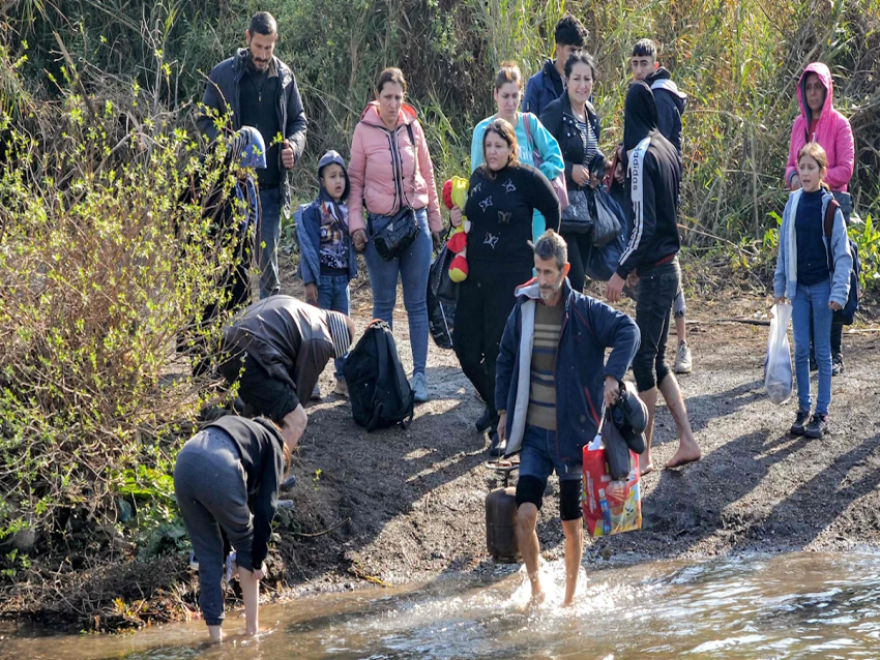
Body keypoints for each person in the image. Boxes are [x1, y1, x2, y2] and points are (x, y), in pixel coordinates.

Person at [495, 230, 639, 606]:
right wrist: (503, 410)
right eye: (538, 271)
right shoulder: (524, 307)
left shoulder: (586, 311)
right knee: (525, 515)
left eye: (548, 273)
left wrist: (612, 375)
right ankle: (538, 588)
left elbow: (629, 330)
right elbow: (506, 357)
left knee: (571, 525)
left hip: (575, 438)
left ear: (564, 270)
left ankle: (570, 601)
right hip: (535, 438)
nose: (542, 281)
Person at [605, 81, 700, 474]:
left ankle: (642, 455)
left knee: (644, 360)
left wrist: (621, 269)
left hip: (657, 270)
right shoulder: (667, 147)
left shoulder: (643, 152)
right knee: (657, 359)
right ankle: (687, 439)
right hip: (669, 266)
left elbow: (643, 226)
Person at [451, 119, 560, 455]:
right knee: (466, 349)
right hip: (475, 279)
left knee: (499, 354)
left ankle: (507, 426)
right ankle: (495, 403)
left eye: (499, 146)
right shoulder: (478, 178)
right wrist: (457, 219)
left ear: (512, 148)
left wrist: (546, 250)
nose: (492, 152)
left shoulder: (526, 177)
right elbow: (467, 221)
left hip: (510, 281)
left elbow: (553, 208)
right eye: (488, 146)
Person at [348, 67, 443, 403]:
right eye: (387, 97)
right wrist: (356, 224)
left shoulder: (412, 127)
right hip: (380, 230)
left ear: (404, 98)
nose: (392, 104)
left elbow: (428, 175)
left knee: (417, 304)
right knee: (383, 305)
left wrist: (435, 219)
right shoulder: (364, 130)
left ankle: (419, 377)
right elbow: (354, 182)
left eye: (398, 97)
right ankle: (387, 376)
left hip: (415, 223)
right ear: (377, 97)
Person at [198, 11, 308, 300]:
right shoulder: (223, 74)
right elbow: (205, 120)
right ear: (248, 39)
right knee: (232, 268)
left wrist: (293, 149)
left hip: (270, 190)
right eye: (258, 47)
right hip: (232, 190)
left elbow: (299, 121)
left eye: (268, 48)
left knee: (269, 271)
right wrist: (228, 145)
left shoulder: (285, 77)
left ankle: (270, 339)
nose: (262, 54)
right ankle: (235, 336)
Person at [174, 415, 294, 642]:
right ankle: (252, 630)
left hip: (184, 463)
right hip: (219, 466)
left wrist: (230, 551)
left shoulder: (243, 430)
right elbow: (266, 508)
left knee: (209, 554)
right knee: (247, 544)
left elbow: (226, 508)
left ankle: (216, 638)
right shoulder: (274, 446)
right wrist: (257, 560)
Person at [774, 142, 852, 438]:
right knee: (802, 351)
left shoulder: (831, 208)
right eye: (801, 167)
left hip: (822, 289)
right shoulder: (792, 203)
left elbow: (842, 254)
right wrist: (780, 287)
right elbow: (784, 248)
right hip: (799, 289)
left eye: (810, 168)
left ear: (822, 171)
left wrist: (838, 293)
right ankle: (803, 408)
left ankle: (821, 412)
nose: (804, 173)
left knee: (822, 351)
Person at [784, 62, 855, 376]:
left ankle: (833, 351)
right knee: (805, 271)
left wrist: (819, 180)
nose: (813, 93)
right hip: (802, 205)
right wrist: (795, 179)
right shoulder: (799, 124)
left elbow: (848, 168)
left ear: (827, 90)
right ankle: (811, 349)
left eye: (818, 87)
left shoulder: (840, 124)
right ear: (803, 90)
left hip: (832, 205)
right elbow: (789, 166)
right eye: (808, 87)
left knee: (834, 272)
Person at [629, 38, 692, 375]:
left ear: (655, 64)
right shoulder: (643, 93)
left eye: (644, 63)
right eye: (634, 63)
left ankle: (682, 344)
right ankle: (663, 347)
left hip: (664, 195)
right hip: (656, 192)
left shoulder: (661, 97)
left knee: (668, 269)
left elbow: (657, 149)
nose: (639, 69)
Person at [219, 295, 356, 448]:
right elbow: (299, 392)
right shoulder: (321, 339)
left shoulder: (303, 309)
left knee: (263, 399)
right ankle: (276, 469)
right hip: (251, 354)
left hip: (226, 341)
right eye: (330, 355)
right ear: (334, 343)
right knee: (297, 420)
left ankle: (248, 447)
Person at [470, 62, 564, 243]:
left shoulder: (530, 124)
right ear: (495, 94)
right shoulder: (483, 130)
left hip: (534, 217)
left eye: (515, 95)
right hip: (497, 219)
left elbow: (556, 158)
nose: (511, 103)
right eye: (505, 96)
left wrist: (535, 182)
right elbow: (477, 178)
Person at [540, 52, 605, 293]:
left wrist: (600, 167)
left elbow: (591, 153)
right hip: (561, 211)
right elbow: (539, 155)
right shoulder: (554, 111)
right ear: (566, 80)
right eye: (577, 79)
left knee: (577, 283)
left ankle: (569, 327)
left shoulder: (591, 115)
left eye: (587, 79)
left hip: (585, 213)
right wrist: (568, 170)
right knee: (573, 280)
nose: (582, 85)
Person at [295, 150, 357, 399]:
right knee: (317, 333)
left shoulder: (349, 210)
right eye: (332, 176)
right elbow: (307, 249)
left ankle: (342, 379)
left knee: (342, 332)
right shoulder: (314, 211)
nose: (338, 181)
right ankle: (311, 381)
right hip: (321, 282)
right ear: (322, 180)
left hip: (341, 281)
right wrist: (309, 282)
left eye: (341, 175)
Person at [522, 14, 589, 117]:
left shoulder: (583, 85)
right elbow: (526, 127)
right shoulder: (537, 84)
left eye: (579, 51)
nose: (576, 56)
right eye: (572, 50)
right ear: (558, 48)